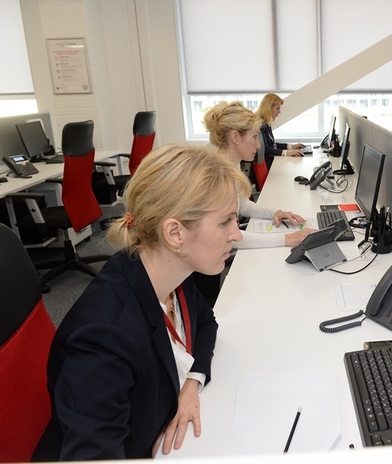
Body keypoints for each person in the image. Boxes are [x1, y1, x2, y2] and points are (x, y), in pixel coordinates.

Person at [33, 144, 247, 460]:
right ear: (175, 233)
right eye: (225, 221)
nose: (237, 234)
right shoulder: (105, 337)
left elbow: (205, 323)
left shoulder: (173, 272)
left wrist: (191, 382)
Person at [203, 100, 315, 248]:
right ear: (235, 137)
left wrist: (275, 212)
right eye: (255, 137)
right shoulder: (216, 176)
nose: (258, 145)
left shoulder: (232, 165)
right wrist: (285, 239)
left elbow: (242, 206)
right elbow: (227, 236)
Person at [256, 93, 306, 169]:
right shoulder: (260, 125)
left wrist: (291, 146)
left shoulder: (266, 123)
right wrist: (287, 153)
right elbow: (265, 149)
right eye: (277, 108)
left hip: (269, 162)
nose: (279, 112)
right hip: (266, 165)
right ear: (268, 108)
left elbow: (272, 144)